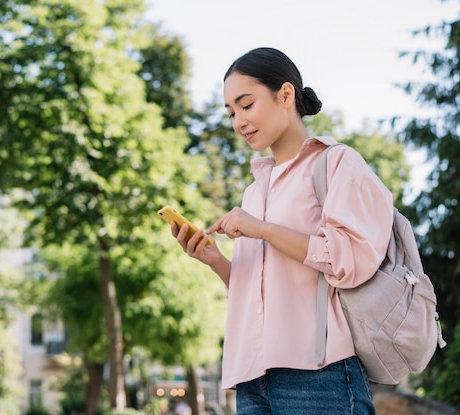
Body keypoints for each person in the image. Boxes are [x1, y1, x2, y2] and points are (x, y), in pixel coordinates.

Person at [168, 47, 394, 414]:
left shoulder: (336, 162)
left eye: (246, 105)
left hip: (318, 376)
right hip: (251, 379)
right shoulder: (254, 191)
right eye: (230, 113)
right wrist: (215, 260)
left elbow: (350, 261)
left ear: (285, 95)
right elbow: (261, 292)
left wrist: (263, 229)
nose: (238, 121)